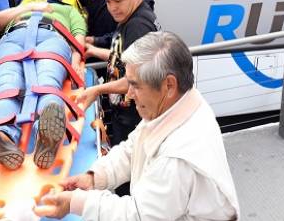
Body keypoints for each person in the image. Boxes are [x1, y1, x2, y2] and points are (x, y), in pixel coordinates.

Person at [34, 31, 241, 221]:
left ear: (169, 85)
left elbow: (139, 216)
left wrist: (75, 203)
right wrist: (94, 178)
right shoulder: (177, 105)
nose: (129, 94)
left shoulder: (177, 159)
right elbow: (134, 147)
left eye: (135, 85)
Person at [0, 0, 87, 170]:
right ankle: (3, 139)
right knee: (9, 89)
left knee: (43, 84)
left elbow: (78, 38)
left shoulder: (68, 10)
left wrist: (76, 61)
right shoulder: (21, 9)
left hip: (50, 37)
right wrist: (28, 8)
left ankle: (44, 136)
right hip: (15, 39)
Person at [80, 0, 160, 147]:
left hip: (134, 119)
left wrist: (97, 90)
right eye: (108, 2)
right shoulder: (130, 16)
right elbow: (123, 58)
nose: (113, 8)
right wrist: (93, 50)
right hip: (124, 115)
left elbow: (135, 79)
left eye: (118, 0)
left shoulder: (138, 26)